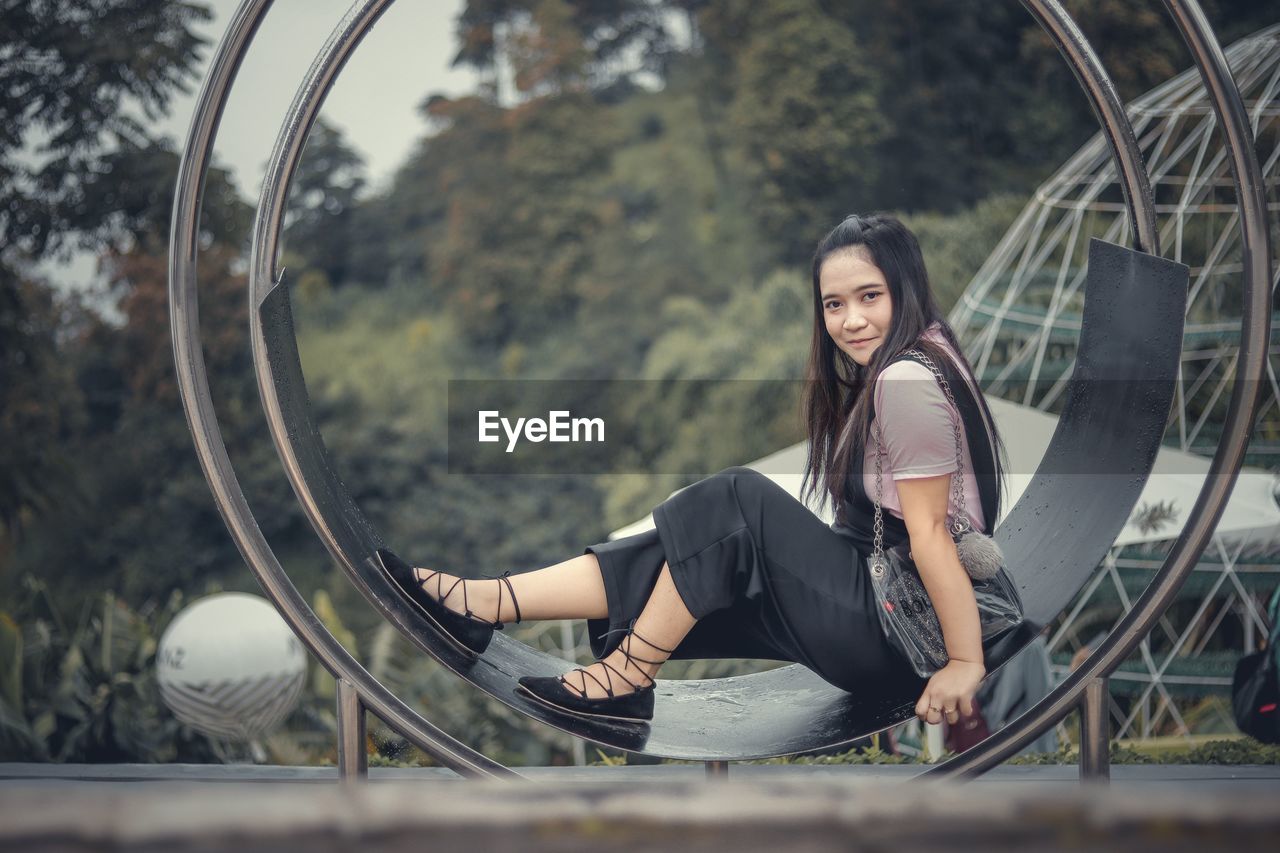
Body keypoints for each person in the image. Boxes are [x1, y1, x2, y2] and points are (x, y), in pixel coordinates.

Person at [382, 212, 1006, 727]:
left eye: (870, 297)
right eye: (833, 304)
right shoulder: (929, 354)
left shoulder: (903, 381)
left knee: (734, 499)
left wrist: (963, 662)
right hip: (881, 611)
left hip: (895, 631)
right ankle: (486, 603)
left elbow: (926, 535)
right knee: (676, 552)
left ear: (905, 287)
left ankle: (625, 675)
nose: (849, 321)